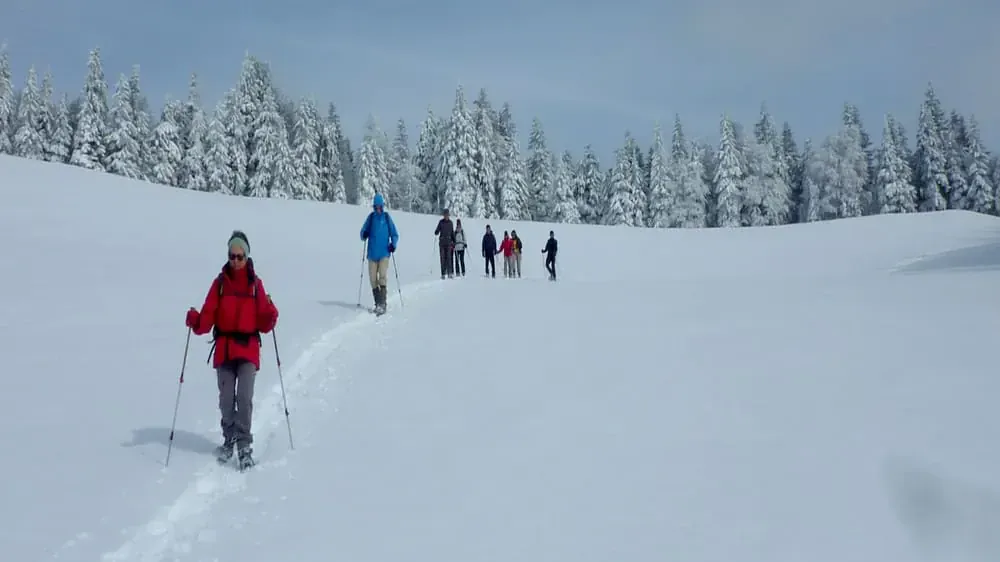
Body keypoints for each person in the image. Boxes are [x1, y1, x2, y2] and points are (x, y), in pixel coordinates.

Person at [185, 230, 279, 470]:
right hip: (225, 350)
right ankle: (230, 438)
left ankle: (244, 445)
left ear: (247, 257)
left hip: (247, 349)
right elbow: (207, 317)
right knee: (227, 400)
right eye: (231, 255)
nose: (235, 260)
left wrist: (270, 315)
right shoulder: (219, 284)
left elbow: (264, 322)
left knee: (244, 399)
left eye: (239, 256)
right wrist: (196, 321)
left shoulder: (255, 285)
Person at [360, 193, 400, 314]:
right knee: (373, 279)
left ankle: (383, 304)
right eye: (376, 207)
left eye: (380, 207)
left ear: (383, 206)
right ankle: (377, 303)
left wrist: (393, 244)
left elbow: (394, 233)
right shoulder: (371, 218)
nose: (378, 209)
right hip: (372, 254)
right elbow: (362, 232)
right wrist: (364, 234)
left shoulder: (387, 218)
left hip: (384, 253)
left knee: (382, 277)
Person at [433, 208, 456, 279]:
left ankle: (449, 273)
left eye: (447, 215)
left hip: (449, 243)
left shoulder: (451, 223)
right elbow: (437, 230)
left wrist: (454, 241)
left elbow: (452, 232)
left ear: (448, 215)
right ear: (444, 215)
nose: (446, 216)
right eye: (445, 215)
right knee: (442, 258)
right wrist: (436, 232)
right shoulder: (441, 222)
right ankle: (443, 273)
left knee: (449, 258)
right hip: (442, 243)